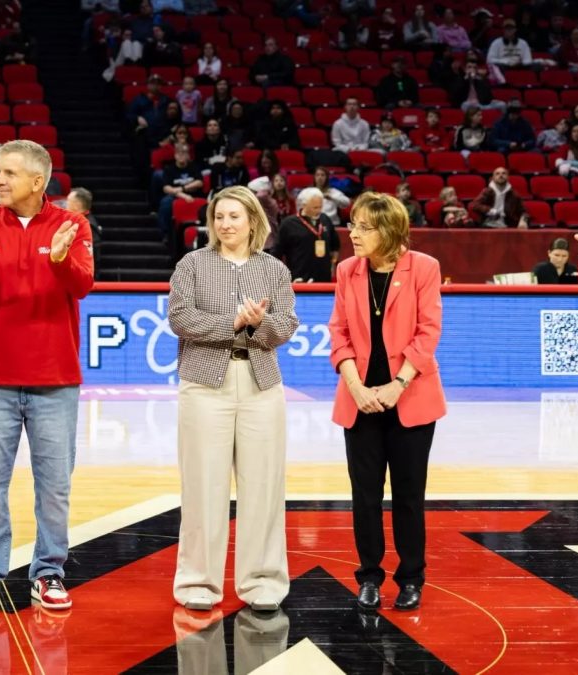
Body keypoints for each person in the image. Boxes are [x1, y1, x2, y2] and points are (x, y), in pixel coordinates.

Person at [0, 140, 93, 613]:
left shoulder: (73, 224)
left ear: (37, 181)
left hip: (56, 380)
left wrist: (60, 259)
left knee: (55, 485)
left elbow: (82, 285)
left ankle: (49, 572)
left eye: (9, 173)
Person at [168, 185, 297, 611]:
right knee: (204, 486)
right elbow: (180, 317)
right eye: (219, 217)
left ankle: (263, 583)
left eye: (234, 217)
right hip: (205, 386)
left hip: (261, 383)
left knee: (263, 486)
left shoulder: (274, 270)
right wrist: (232, 321)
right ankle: (197, 584)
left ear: (253, 222)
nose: (225, 224)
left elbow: (288, 324)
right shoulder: (191, 264)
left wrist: (259, 326)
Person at [328, 192, 446, 612]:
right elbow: (338, 331)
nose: (352, 233)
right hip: (359, 399)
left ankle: (411, 577)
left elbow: (428, 332)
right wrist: (356, 387)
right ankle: (369, 578)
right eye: (352, 224)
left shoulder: (424, 268)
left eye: (363, 227)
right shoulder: (346, 270)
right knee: (365, 496)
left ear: (390, 230)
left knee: (409, 495)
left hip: (410, 397)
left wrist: (398, 384)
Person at [275, 187, 340, 282]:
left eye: (320, 207)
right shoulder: (288, 224)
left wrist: (333, 264)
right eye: (315, 207)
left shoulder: (325, 219)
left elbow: (335, 246)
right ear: (303, 205)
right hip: (299, 279)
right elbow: (276, 254)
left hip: (324, 279)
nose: (319, 211)